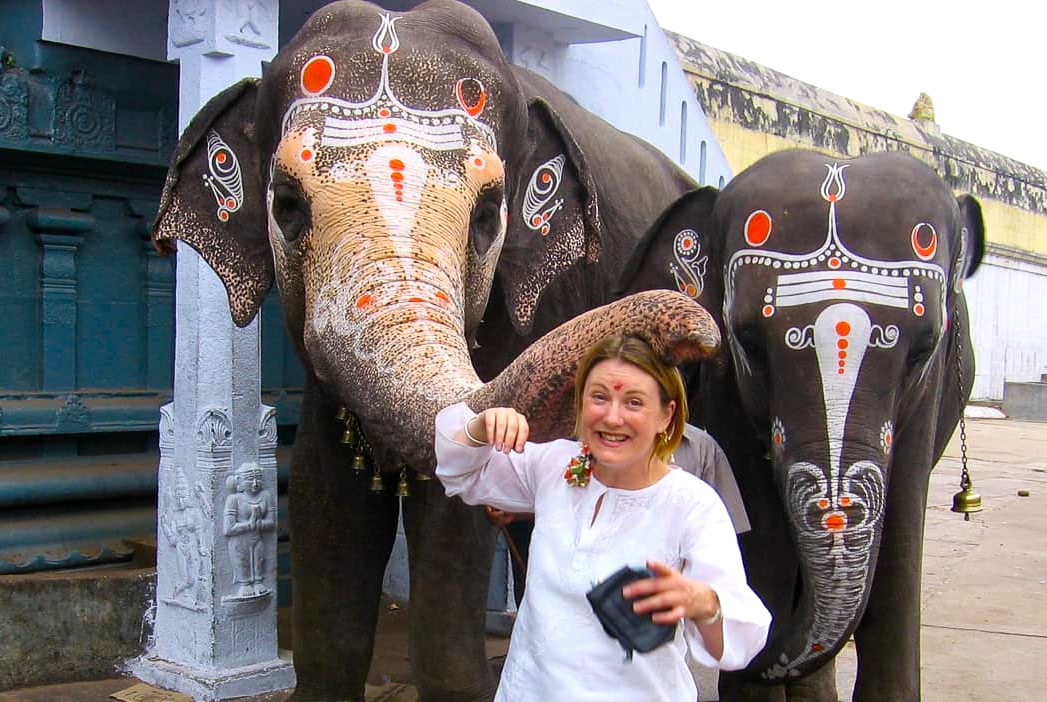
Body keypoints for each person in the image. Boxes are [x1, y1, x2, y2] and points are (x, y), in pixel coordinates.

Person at [435, 334, 771, 702]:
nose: (612, 417)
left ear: (666, 415)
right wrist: (480, 427)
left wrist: (704, 603)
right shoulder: (554, 466)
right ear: (581, 403)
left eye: (634, 402)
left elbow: (739, 643)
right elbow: (460, 472)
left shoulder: (692, 504)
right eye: (599, 397)